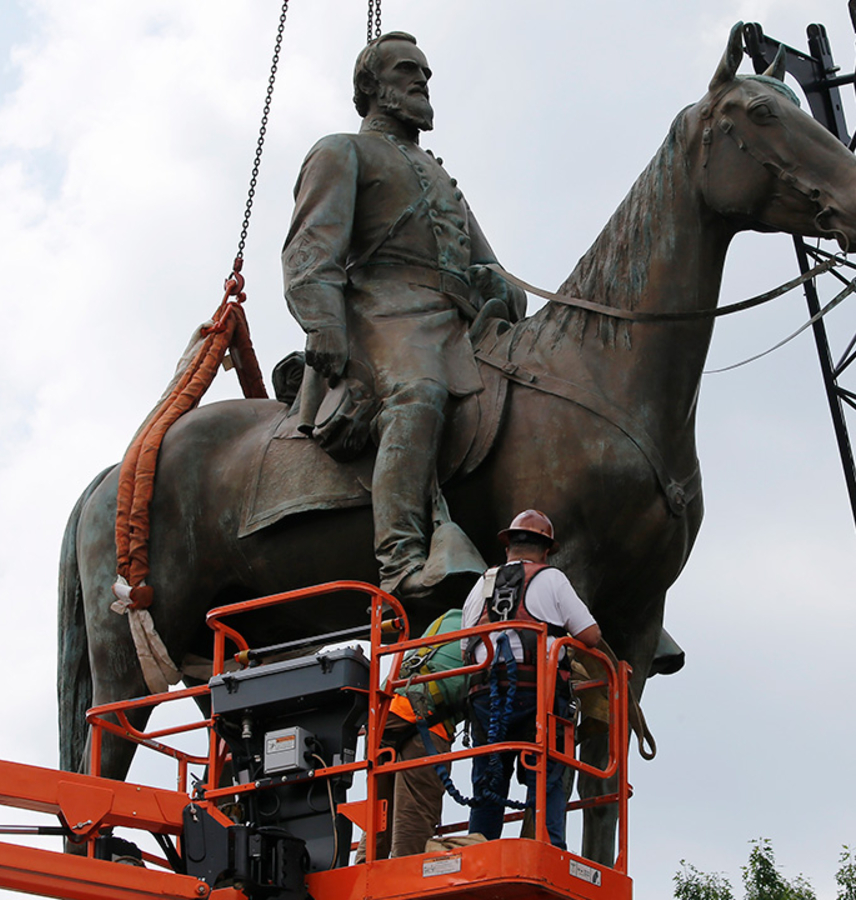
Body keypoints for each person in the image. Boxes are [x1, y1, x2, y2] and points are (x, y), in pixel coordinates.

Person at [282, 31, 526, 600]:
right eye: (405, 70)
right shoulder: (342, 151)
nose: (422, 80)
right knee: (418, 393)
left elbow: (486, 264)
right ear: (370, 87)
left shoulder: (440, 175)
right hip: (380, 314)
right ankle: (402, 559)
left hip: (455, 317)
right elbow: (310, 250)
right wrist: (324, 323)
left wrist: (504, 288)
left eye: (425, 72)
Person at [460, 510, 601, 850]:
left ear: (508, 547)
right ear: (546, 550)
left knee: (489, 778)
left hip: (485, 696)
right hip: (537, 693)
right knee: (547, 774)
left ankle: (481, 848)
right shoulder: (552, 579)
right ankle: (549, 846)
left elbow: (466, 648)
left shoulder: (481, 585)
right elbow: (592, 635)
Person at [372, 608, 471, 858]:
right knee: (414, 820)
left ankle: (364, 884)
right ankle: (401, 886)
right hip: (423, 721)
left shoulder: (448, 618)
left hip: (383, 716)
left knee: (377, 817)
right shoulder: (491, 635)